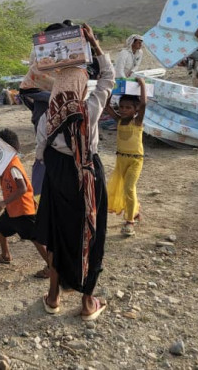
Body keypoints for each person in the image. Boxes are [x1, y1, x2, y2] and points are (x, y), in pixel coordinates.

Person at [33, 23, 114, 321]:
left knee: (58, 235)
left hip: (58, 178)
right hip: (88, 177)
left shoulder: (47, 118)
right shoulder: (89, 110)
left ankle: (54, 297)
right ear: (80, 88)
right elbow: (108, 78)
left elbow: (40, 154)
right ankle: (88, 302)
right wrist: (94, 44)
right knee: (90, 234)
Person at [0, 129, 50, 276]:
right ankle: (5, 255)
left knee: (35, 238)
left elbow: (22, 188)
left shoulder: (13, 167)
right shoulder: (8, 163)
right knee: (0, 227)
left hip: (23, 210)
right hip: (13, 209)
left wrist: (4, 202)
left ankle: (51, 268)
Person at [104, 79, 147, 237]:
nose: (123, 110)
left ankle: (129, 222)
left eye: (128, 107)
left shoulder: (137, 122)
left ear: (135, 110)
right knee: (126, 188)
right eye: (121, 107)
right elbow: (106, 106)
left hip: (135, 160)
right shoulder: (119, 120)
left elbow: (143, 104)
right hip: (121, 160)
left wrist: (142, 85)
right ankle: (135, 211)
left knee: (129, 188)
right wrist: (112, 88)